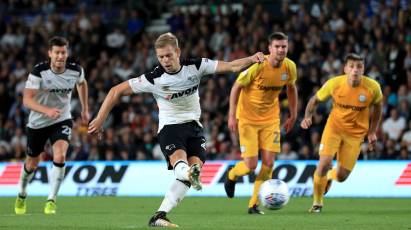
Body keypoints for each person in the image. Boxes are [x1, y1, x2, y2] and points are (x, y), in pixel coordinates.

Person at [88, 32, 264, 227]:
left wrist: (252, 58)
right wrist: (100, 118)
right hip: (170, 128)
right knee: (183, 166)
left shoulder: (196, 66)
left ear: (177, 52)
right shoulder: (154, 78)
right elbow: (116, 91)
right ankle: (188, 173)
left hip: (195, 127)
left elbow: (231, 66)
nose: (165, 60)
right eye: (161, 57)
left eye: (169, 55)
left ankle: (160, 215)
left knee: (191, 172)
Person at [224, 32, 298, 214]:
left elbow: (291, 88)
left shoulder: (290, 67)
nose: (281, 50)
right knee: (250, 166)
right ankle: (232, 175)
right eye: (277, 46)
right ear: (269, 49)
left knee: (269, 164)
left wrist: (293, 115)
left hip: (271, 119)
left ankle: (253, 204)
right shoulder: (258, 65)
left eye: (284, 46)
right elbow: (236, 87)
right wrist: (232, 115)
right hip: (248, 119)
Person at [14, 36, 89, 215]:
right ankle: (22, 193)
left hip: (61, 119)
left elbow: (82, 83)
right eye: (56, 52)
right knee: (32, 163)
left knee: (60, 155)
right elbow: (27, 100)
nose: (60, 56)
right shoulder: (38, 71)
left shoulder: (75, 70)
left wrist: (85, 108)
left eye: (63, 52)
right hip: (38, 122)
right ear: (50, 54)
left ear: (67, 53)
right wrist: (46, 110)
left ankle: (51, 200)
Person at [300, 53, 383, 213]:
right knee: (323, 163)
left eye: (359, 66)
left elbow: (378, 108)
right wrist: (307, 116)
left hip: (356, 135)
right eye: (351, 66)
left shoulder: (373, 88)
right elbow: (314, 100)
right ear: (345, 69)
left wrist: (372, 132)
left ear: (363, 69)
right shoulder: (334, 84)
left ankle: (330, 176)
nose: (355, 70)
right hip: (334, 129)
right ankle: (317, 203)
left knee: (342, 177)